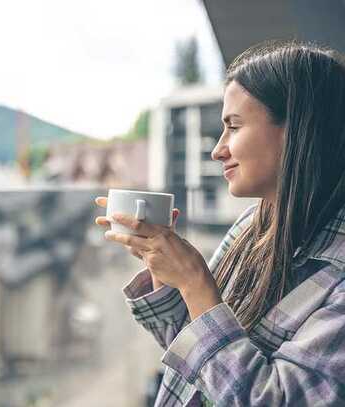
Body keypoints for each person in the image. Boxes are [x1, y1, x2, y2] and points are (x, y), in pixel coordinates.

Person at [94, 40, 345, 406]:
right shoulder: (253, 226)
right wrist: (166, 271)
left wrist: (196, 282)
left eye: (234, 126)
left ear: (297, 130)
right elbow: (202, 357)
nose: (218, 149)